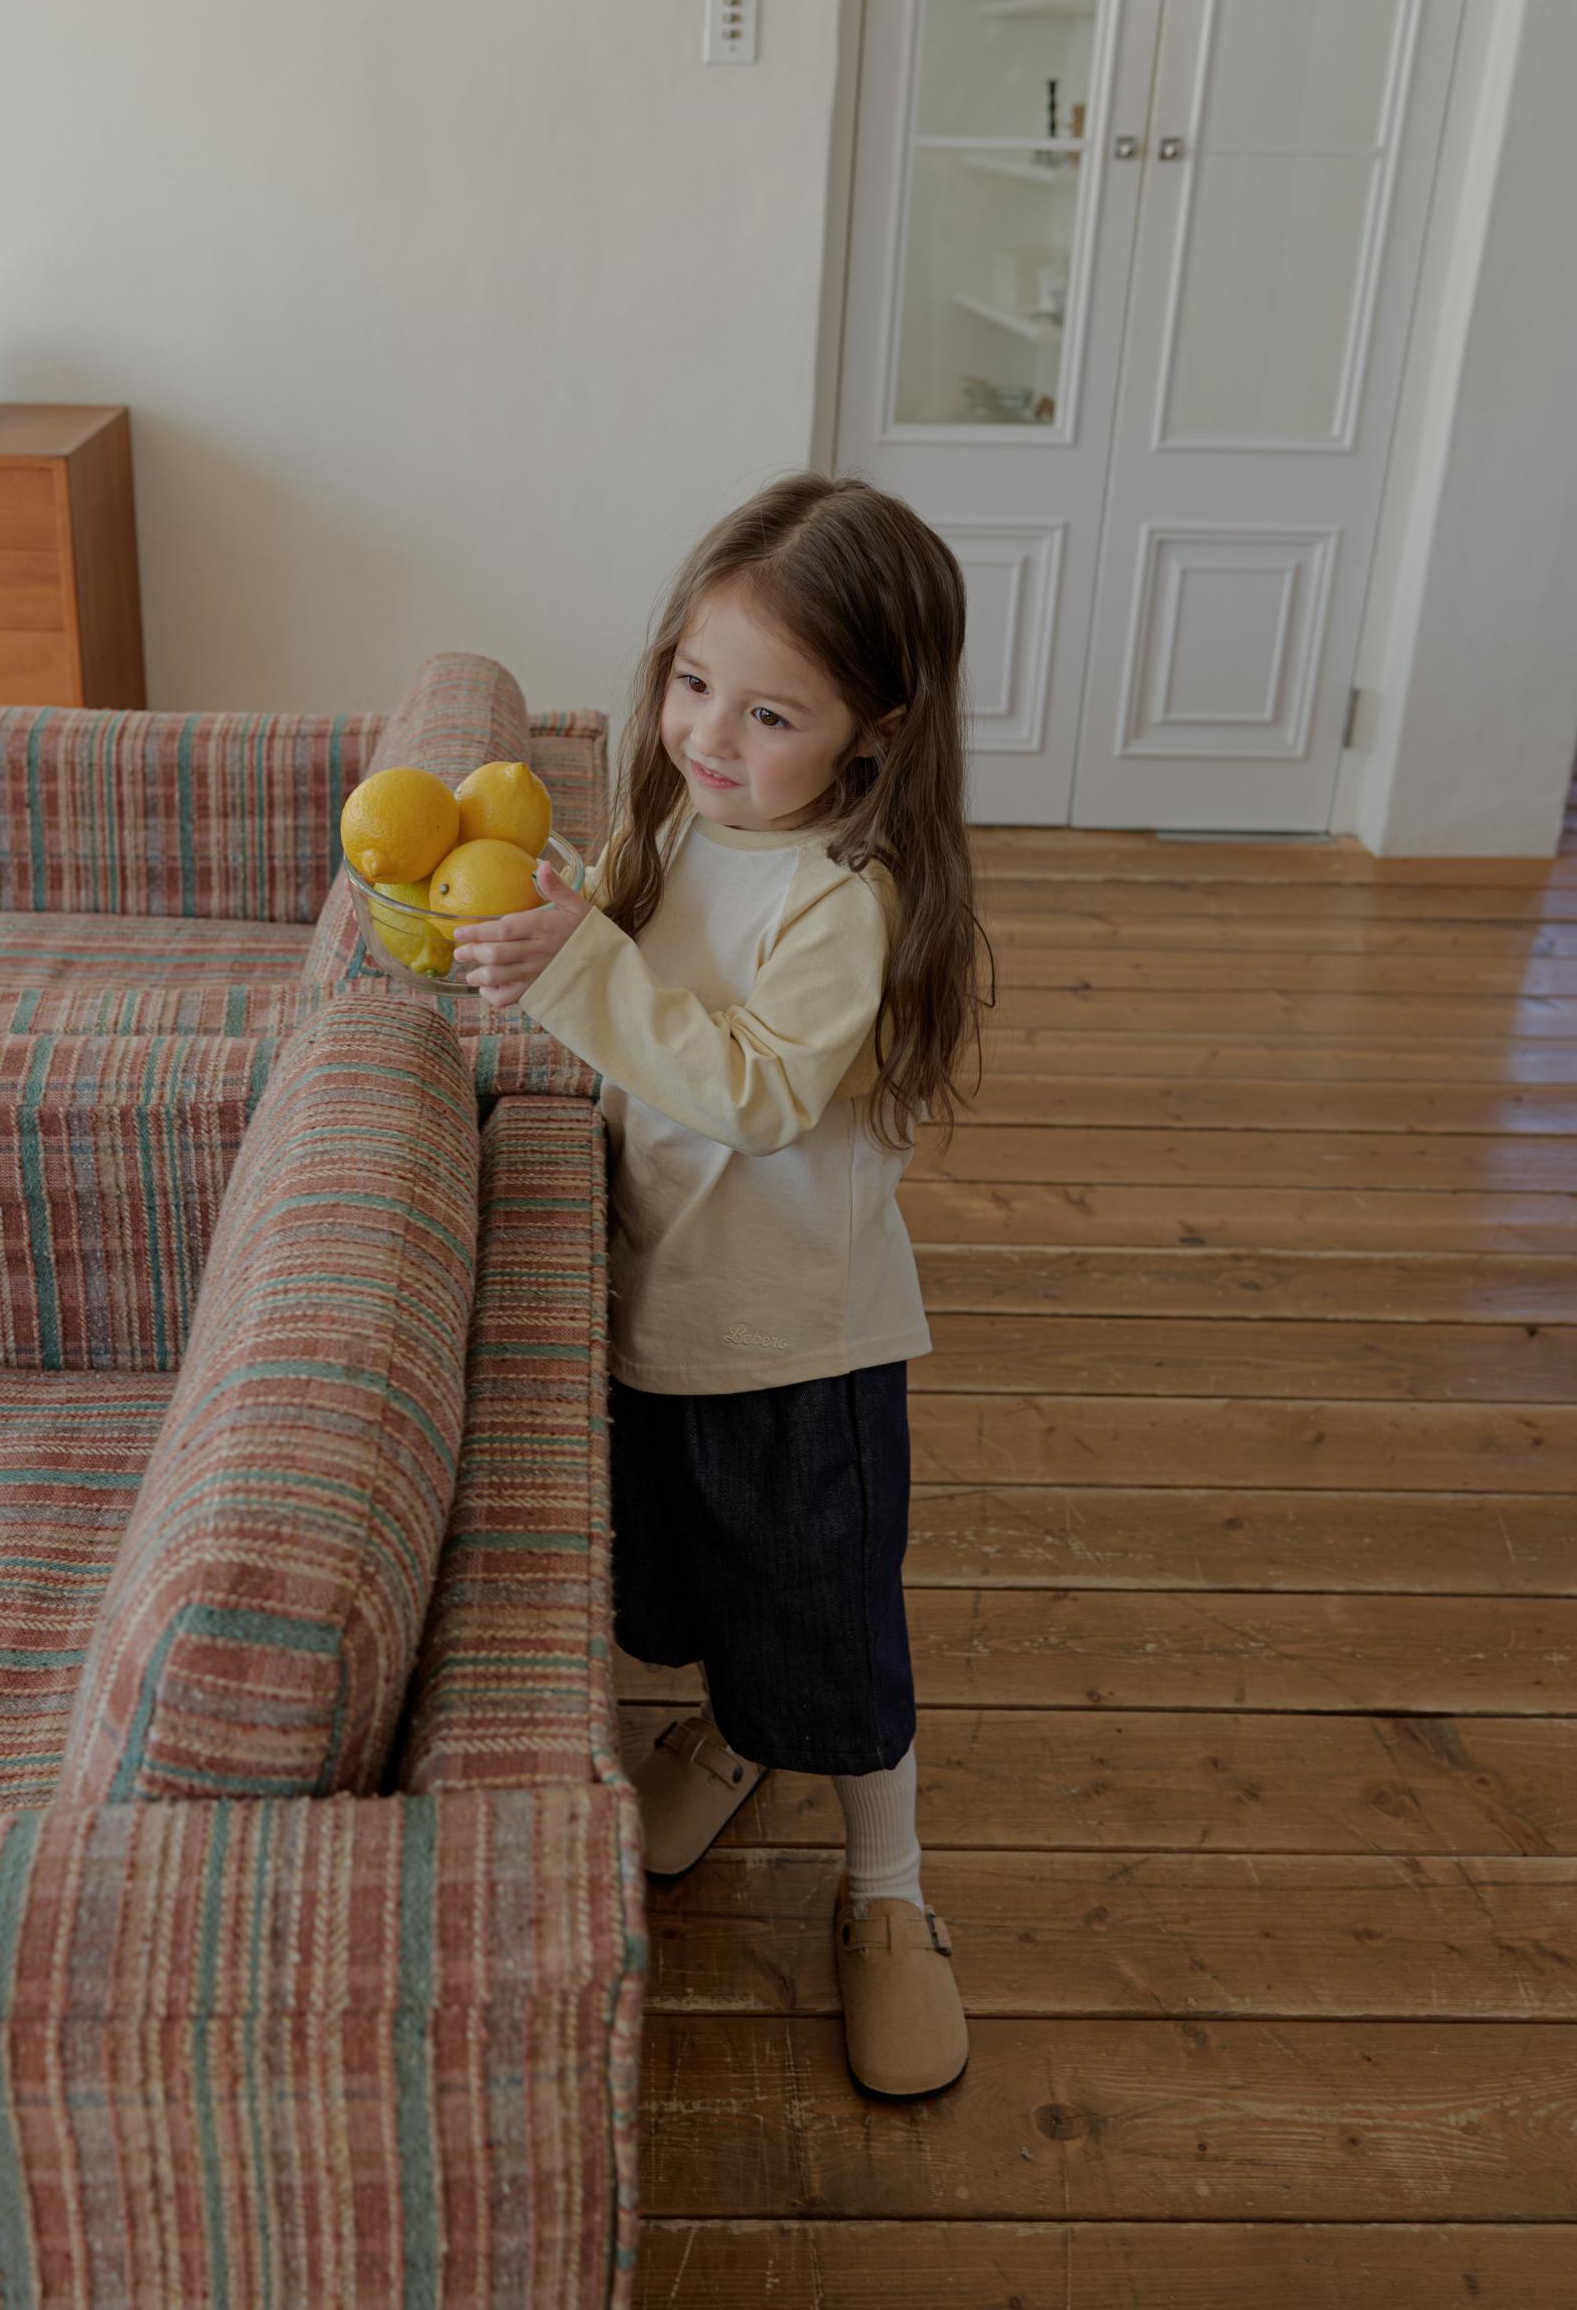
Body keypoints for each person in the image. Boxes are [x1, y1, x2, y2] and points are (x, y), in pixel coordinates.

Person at [450, 469, 990, 2099]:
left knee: (831, 1624)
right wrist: (547, 907)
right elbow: (623, 962)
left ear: (876, 735)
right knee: (698, 1579)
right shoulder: (681, 819)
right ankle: (736, 1732)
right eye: (693, 683)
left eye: (769, 714)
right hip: (660, 1304)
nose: (706, 734)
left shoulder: (844, 903)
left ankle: (887, 1892)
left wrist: (577, 965)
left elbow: (752, 1090)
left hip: (793, 1346)